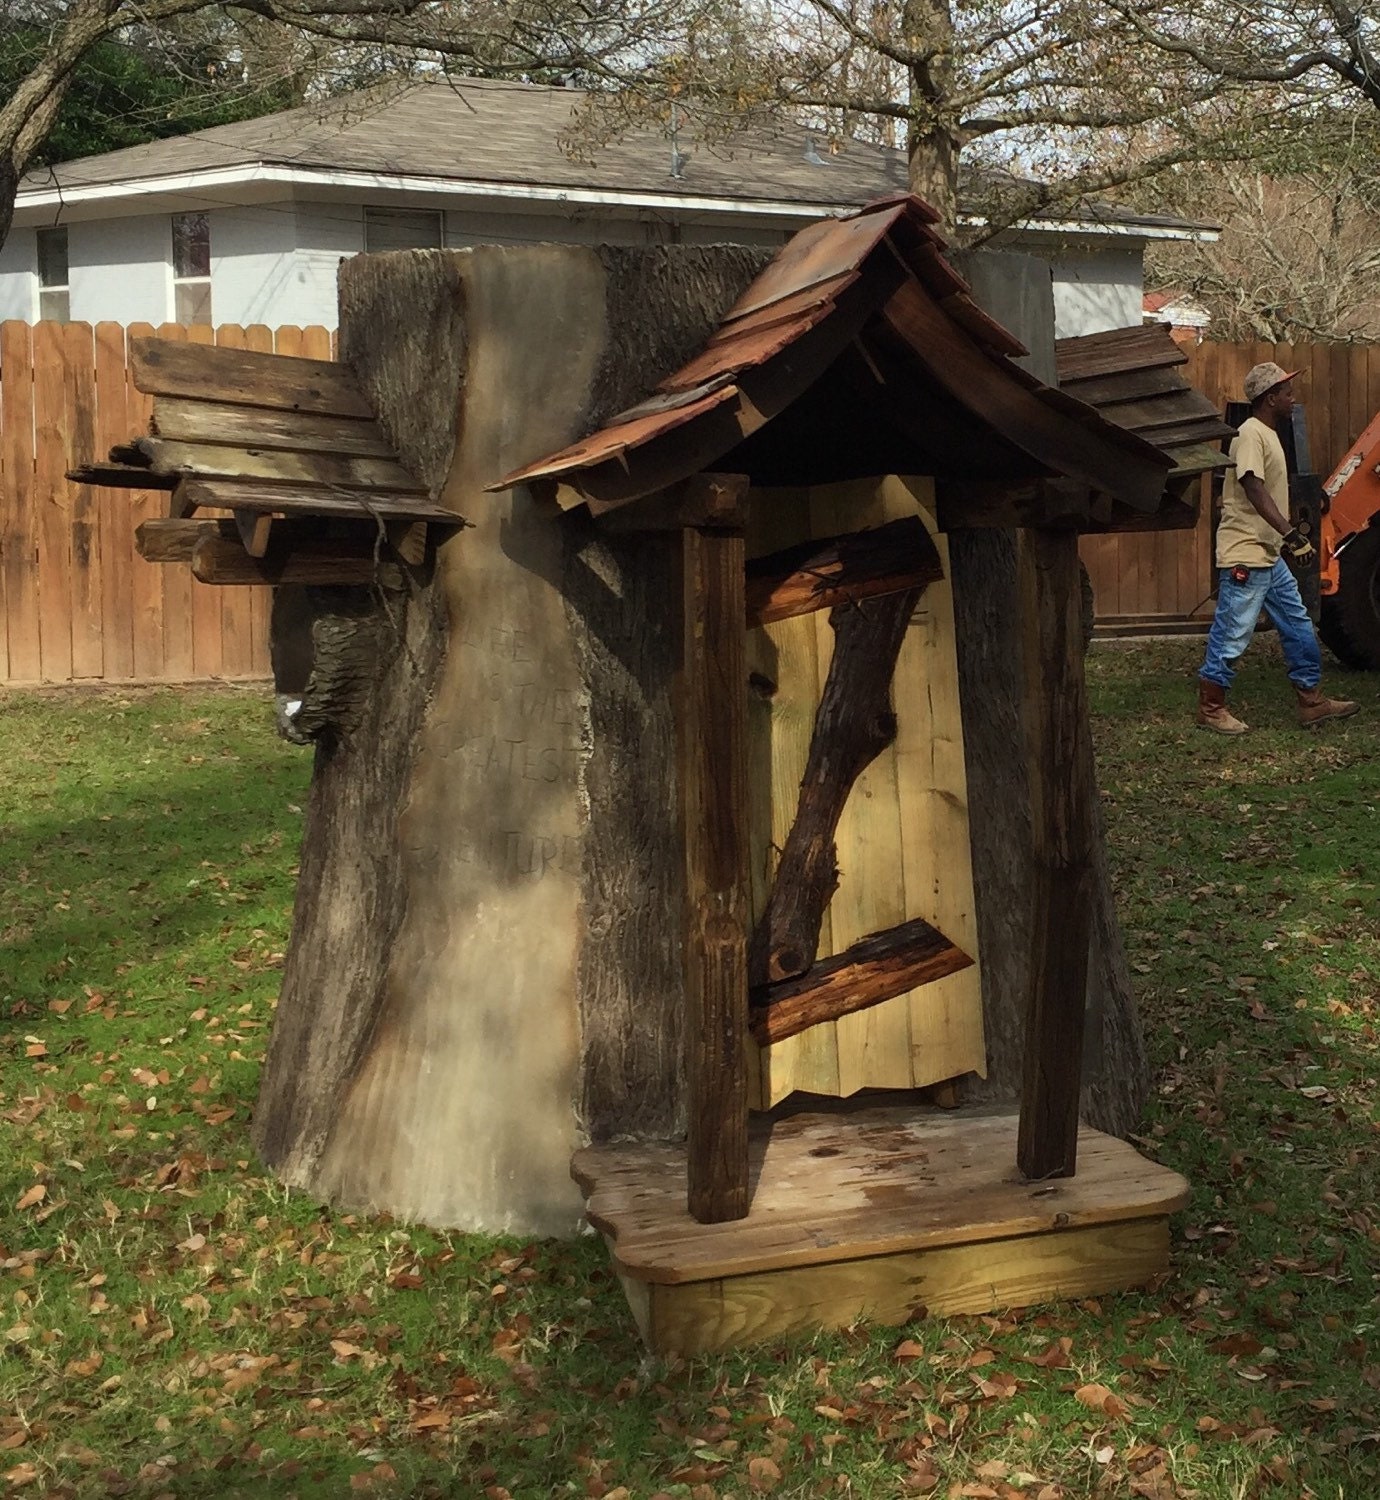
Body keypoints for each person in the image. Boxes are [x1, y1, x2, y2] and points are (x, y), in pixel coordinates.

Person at [1197, 362, 1359, 733]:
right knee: (1234, 629)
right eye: (1287, 392)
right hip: (1246, 552)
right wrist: (1291, 534)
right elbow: (1253, 487)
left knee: (1298, 623)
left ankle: (1312, 702)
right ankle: (1210, 707)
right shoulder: (1250, 433)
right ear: (1270, 399)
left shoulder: (1269, 433)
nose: (1293, 397)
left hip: (1267, 556)